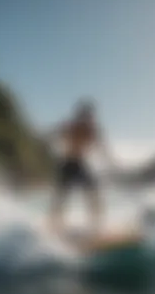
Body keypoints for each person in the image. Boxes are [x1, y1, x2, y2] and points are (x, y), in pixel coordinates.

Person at [48, 99, 113, 236]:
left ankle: (96, 224)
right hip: (67, 164)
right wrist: (50, 137)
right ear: (80, 115)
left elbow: (102, 148)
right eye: (84, 115)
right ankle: (53, 224)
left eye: (88, 116)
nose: (86, 118)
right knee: (62, 195)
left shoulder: (93, 130)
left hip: (80, 164)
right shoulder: (72, 126)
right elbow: (54, 133)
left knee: (93, 191)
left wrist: (109, 162)